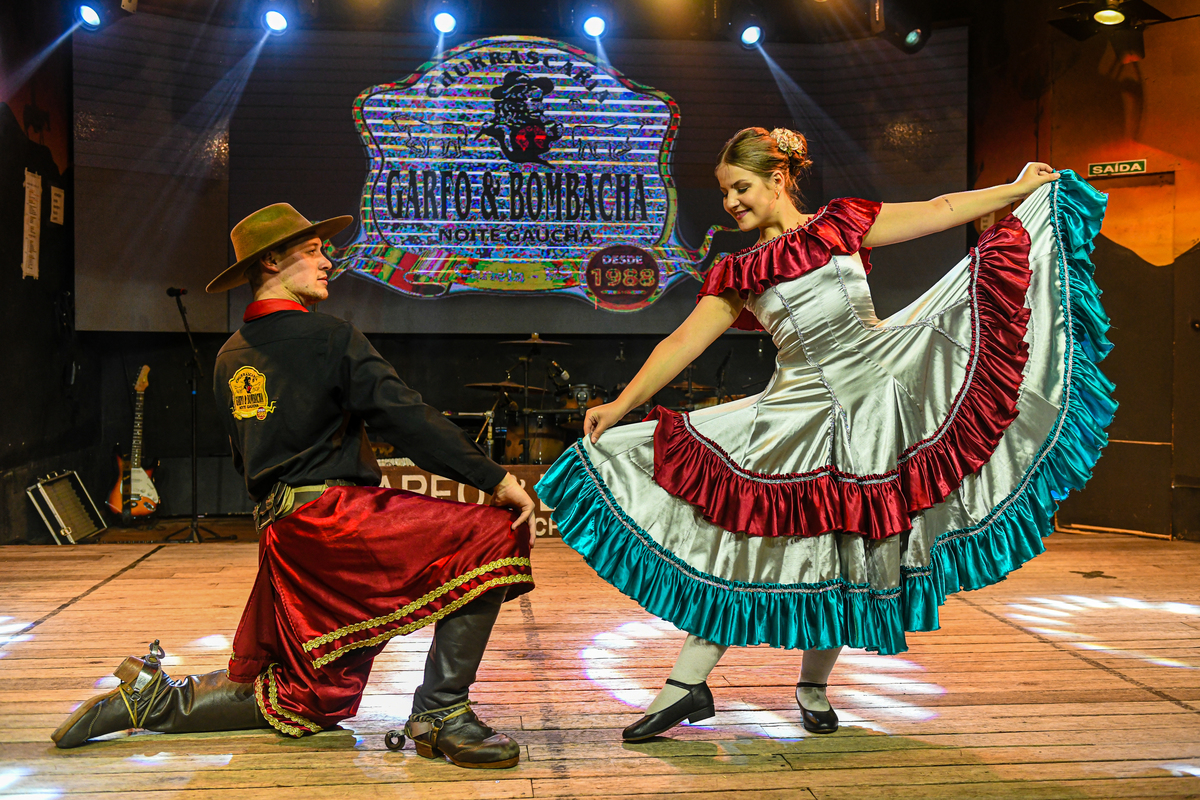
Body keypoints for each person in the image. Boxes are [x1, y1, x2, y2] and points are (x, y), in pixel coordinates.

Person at [536, 126, 1113, 741]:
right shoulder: (741, 269)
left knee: (849, 553)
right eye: (726, 192)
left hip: (876, 403)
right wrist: (624, 403)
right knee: (748, 547)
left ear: (779, 179)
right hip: (796, 413)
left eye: (741, 187)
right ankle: (686, 685)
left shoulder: (842, 223)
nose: (731, 202)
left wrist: (1015, 189)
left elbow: (940, 210)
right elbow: (682, 341)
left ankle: (811, 686)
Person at [53, 203, 538, 770]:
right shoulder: (329, 338)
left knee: (309, 696)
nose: (327, 260)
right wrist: (497, 479)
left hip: (286, 534)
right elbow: (405, 417)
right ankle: (443, 712)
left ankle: (157, 699)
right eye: (311, 251)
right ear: (272, 261)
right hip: (336, 521)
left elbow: (245, 458)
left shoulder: (229, 357)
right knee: (491, 533)